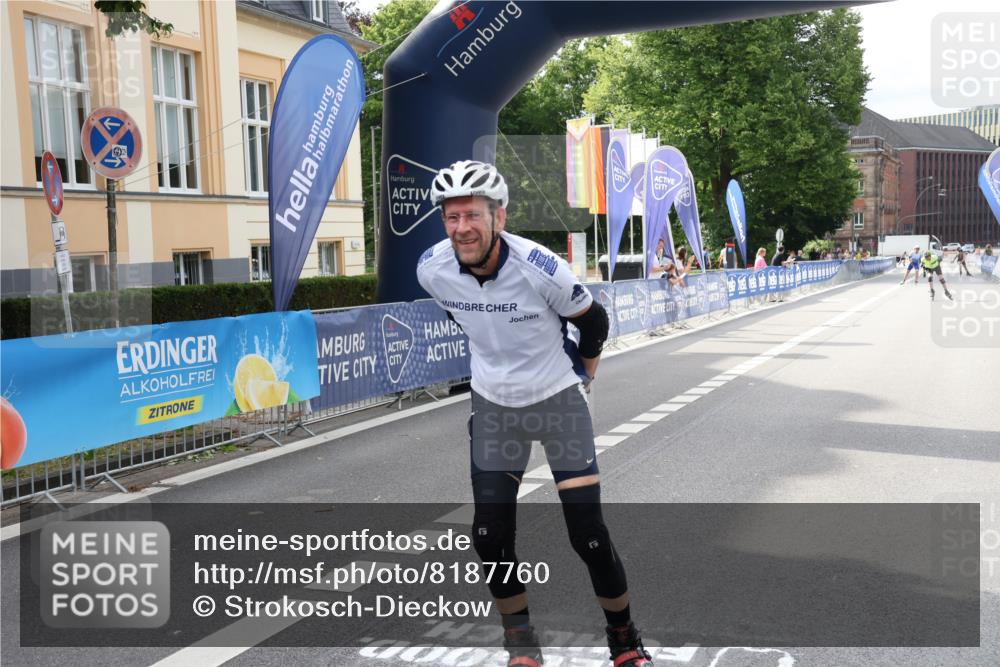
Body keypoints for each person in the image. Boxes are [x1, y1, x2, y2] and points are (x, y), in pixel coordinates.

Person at [418, 160, 653, 667]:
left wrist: (584, 376)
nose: (461, 228)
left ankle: (624, 641)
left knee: (588, 535)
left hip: (557, 401)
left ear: (498, 216)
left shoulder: (539, 267)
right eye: (452, 217)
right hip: (494, 407)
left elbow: (594, 321)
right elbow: (463, 317)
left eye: (473, 215)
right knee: (489, 537)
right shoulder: (431, 269)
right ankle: (521, 646)